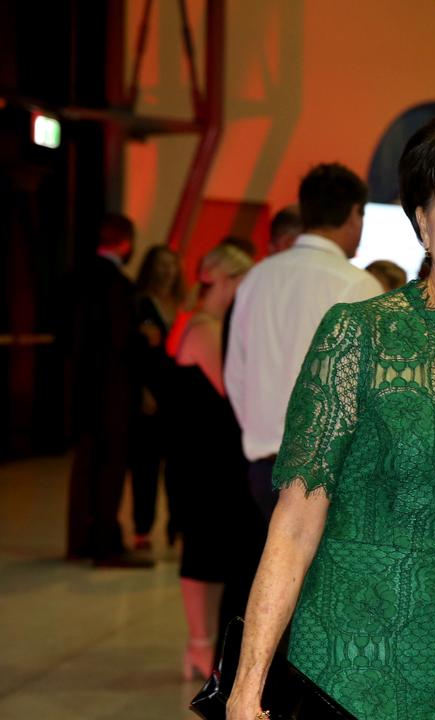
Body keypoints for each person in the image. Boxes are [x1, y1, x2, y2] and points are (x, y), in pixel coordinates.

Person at [227, 110, 435, 720]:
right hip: (354, 658)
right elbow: (296, 521)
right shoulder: (357, 333)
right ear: (422, 220)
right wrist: (248, 686)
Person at [224, 163, 384, 522]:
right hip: (326, 475)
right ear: (354, 215)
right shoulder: (357, 286)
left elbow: (235, 373)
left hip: (263, 467)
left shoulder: (256, 277)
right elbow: (371, 390)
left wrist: (262, 432)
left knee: (279, 573)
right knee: (326, 578)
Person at [166, 243, 254, 679]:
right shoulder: (203, 327)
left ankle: (201, 645)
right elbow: (232, 390)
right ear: (229, 280)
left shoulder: (209, 323)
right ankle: (199, 644)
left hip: (209, 459)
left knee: (211, 551)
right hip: (199, 462)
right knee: (200, 553)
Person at [65, 214, 153, 568]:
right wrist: (143, 338)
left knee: (84, 468)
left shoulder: (74, 278)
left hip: (78, 390)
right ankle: (106, 546)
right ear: (126, 243)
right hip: (113, 393)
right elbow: (119, 342)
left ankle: (78, 542)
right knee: (111, 469)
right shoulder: (117, 285)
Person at [129, 245, 185, 549]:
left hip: (179, 395)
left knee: (178, 467)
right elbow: (135, 356)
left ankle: (176, 526)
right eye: (161, 264)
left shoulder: (182, 303)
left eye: (172, 264)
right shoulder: (140, 304)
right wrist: (142, 390)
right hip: (152, 394)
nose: (167, 270)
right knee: (146, 466)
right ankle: (142, 529)